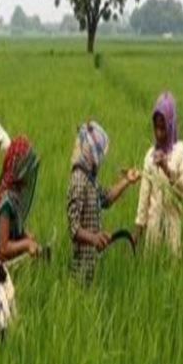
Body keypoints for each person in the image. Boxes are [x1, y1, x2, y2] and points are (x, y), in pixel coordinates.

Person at [67, 121, 139, 284]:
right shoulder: (78, 180)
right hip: (80, 267)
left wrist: (127, 180)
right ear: (91, 154)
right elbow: (73, 228)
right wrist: (94, 238)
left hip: (91, 263)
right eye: (98, 154)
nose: (100, 160)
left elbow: (105, 198)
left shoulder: (89, 179)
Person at [133, 92, 183, 257]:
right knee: (152, 269)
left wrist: (166, 168)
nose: (158, 133)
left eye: (163, 127)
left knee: (173, 269)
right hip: (153, 229)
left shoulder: (181, 151)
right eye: (156, 127)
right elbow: (144, 199)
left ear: (171, 124)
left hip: (173, 226)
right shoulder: (150, 156)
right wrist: (136, 233)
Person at [0, 135, 40, 261]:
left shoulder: (16, 197)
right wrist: (26, 244)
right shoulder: (7, 203)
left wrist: (25, 234)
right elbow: (4, 247)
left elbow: (15, 226)